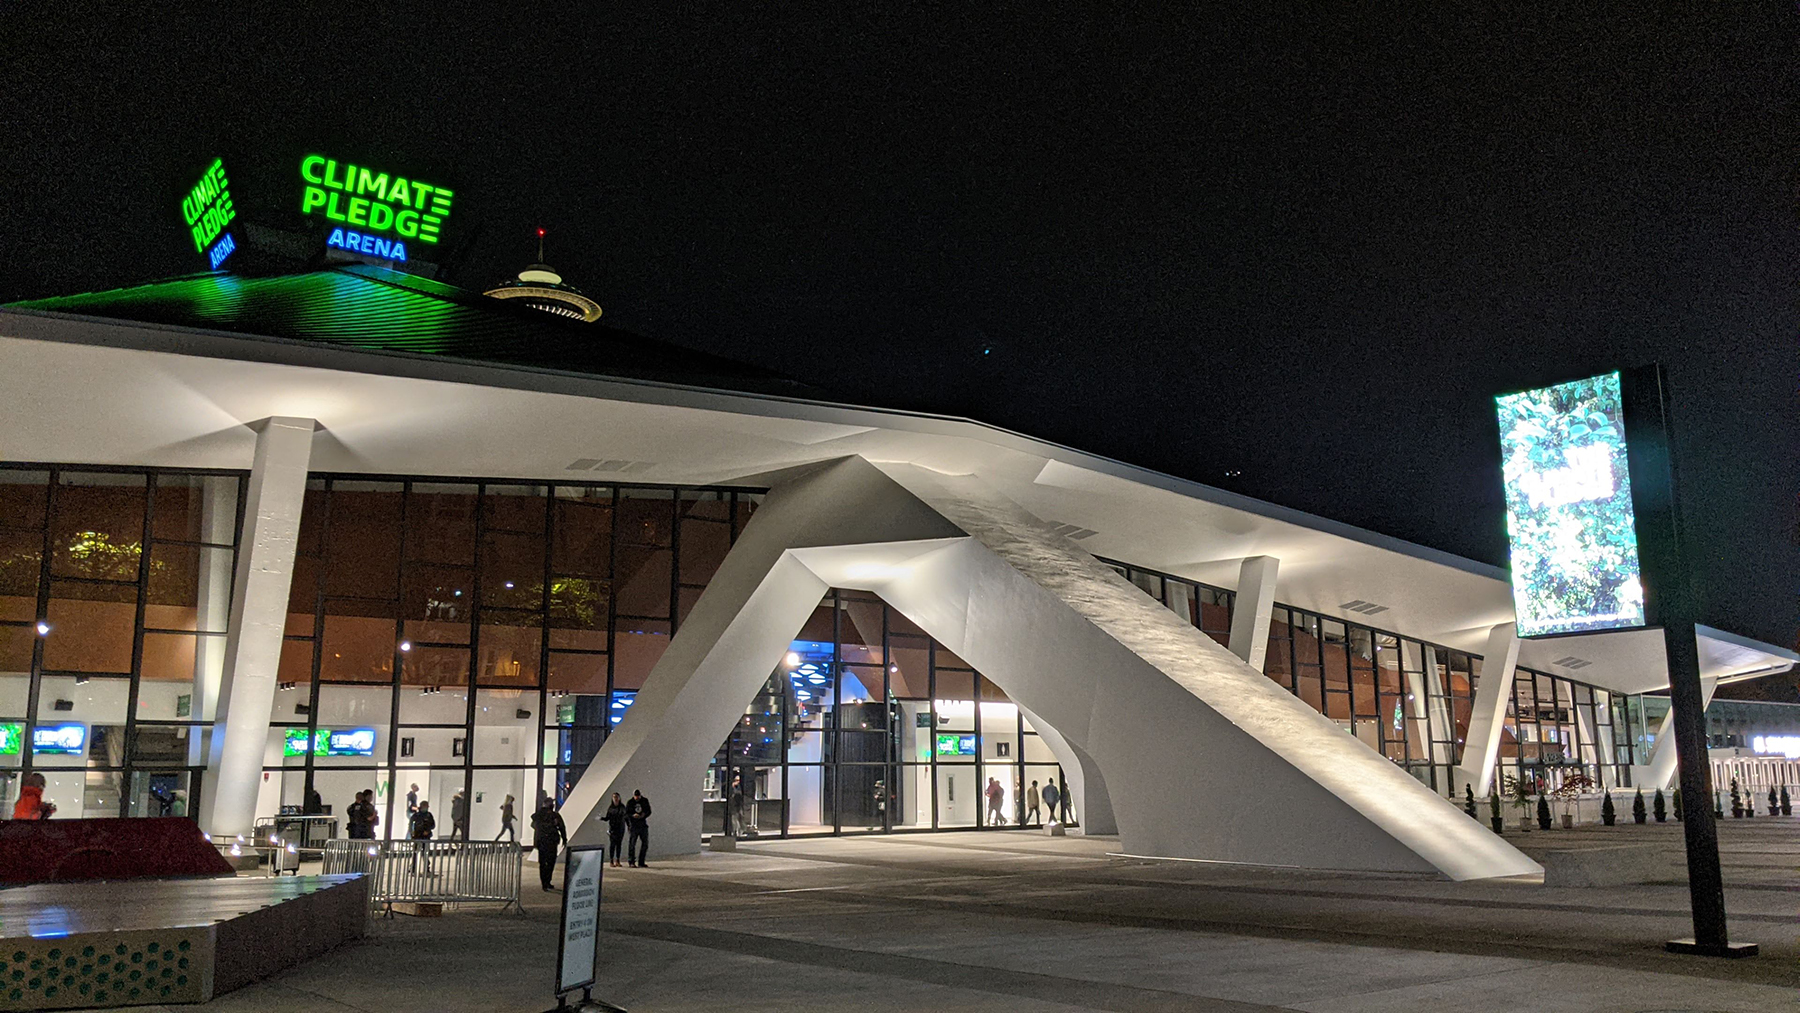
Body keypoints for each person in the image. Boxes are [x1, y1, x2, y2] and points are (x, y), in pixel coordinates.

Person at [530, 798, 569, 891]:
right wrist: (564, 839)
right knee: (550, 862)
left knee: (543, 862)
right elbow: (562, 827)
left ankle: (544, 882)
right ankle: (547, 881)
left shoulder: (538, 816)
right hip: (551, 841)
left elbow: (533, 825)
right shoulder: (554, 816)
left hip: (541, 841)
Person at [625, 789, 653, 867]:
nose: (637, 798)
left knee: (645, 843)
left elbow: (649, 811)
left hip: (642, 825)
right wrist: (632, 816)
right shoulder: (630, 802)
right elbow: (626, 814)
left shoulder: (644, 801)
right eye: (635, 796)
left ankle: (641, 862)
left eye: (638, 796)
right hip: (633, 825)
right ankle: (631, 862)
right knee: (632, 844)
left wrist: (644, 814)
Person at [603, 792, 628, 868]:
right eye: (614, 797)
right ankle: (611, 861)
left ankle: (618, 860)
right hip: (613, 829)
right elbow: (607, 818)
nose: (615, 799)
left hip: (620, 828)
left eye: (616, 797)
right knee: (612, 845)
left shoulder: (622, 807)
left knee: (619, 845)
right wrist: (601, 818)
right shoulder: (611, 808)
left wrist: (629, 825)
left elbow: (626, 817)